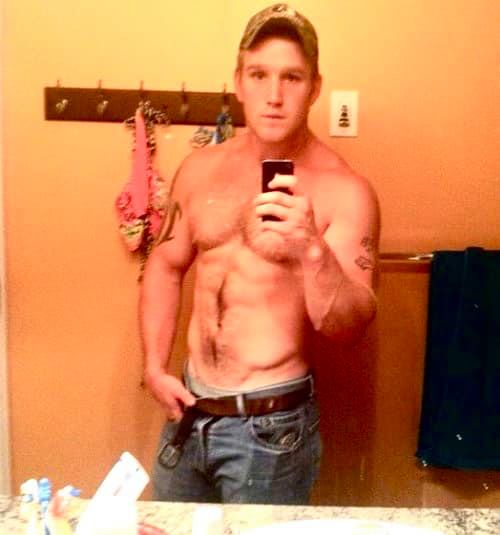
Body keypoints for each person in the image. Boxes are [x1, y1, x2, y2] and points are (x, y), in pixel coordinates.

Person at [140, 3, 380, 504]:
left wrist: (311, 247)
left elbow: (350, 328)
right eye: (259, 75)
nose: (274, 95)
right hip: (188, 413)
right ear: (239, 82)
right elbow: (164, 266)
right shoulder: (199, 170)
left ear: (315, 87)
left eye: (292, 77)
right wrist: (154, 368)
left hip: (270, 430)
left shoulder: (346, 190)